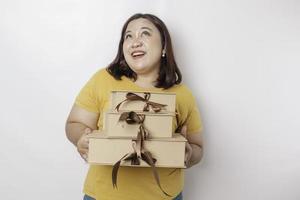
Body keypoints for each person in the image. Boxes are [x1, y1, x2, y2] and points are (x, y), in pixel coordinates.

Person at [65, 13, 203, 200]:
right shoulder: (103, 80)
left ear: (164, 47)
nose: (135, 41)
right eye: (128, 36)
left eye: (144, 33)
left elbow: (197, 148)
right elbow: (74, 123)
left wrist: (188, 154)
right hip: (103, 195)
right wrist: (80, 138)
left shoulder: (182, 94)